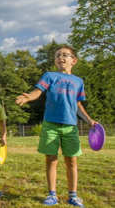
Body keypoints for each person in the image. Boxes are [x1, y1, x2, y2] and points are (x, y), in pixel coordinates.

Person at [16, 45, 98, 207]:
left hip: (70, 127)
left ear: (73, 60)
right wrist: (29, 97)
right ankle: (52, 195)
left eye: (65, 55)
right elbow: (37, 92)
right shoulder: (49, 76)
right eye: (57, 55)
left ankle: (72, 196)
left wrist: (90, 121)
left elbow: (78, 105)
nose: (60, 57)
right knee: (51, 160)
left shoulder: (78, 81)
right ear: (55, 61)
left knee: (72, 161)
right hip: (50, 125)